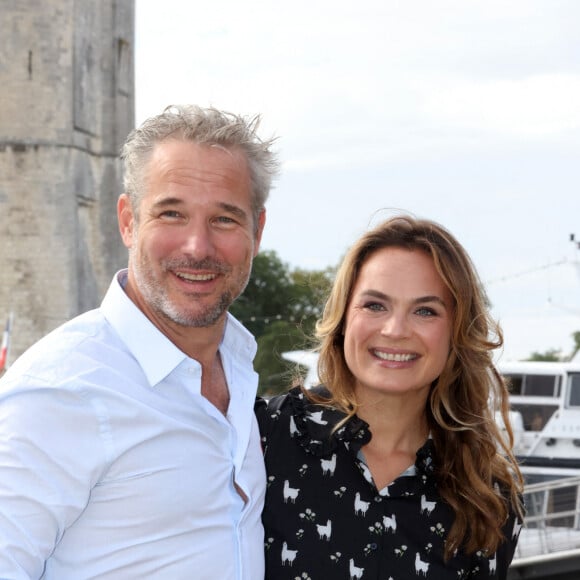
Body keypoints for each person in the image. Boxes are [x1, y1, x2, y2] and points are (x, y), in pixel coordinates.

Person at [0, 105, 279, 579]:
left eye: (225, 219)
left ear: (257, 231)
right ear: (128, 221)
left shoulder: (238, 369)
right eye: (171, 213)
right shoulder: (60, 390)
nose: (197, 246)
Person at [256, 215, 525, 579]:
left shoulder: (489, 500)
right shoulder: (262, 439)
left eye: (425, 311)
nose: (395, 330)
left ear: (457, 332)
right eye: (375, 305)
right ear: (343, 317)